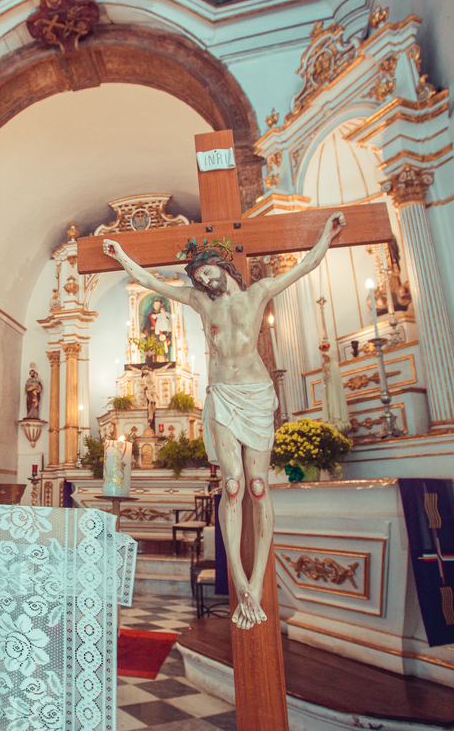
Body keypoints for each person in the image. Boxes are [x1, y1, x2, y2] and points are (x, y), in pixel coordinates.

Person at [103, 210, 345, 629]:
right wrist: (123, 256)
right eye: (200, 278)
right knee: (232, 487)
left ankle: (257, 577)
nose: (206, 282)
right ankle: (241, 582)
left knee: (257, 485)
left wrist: (326, 235)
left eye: (209, 273)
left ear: (222, 264)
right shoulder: (199, 302)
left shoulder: (260, 292)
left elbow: (306, 265)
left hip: (253, 394)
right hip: (223, 395)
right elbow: (153, 283)